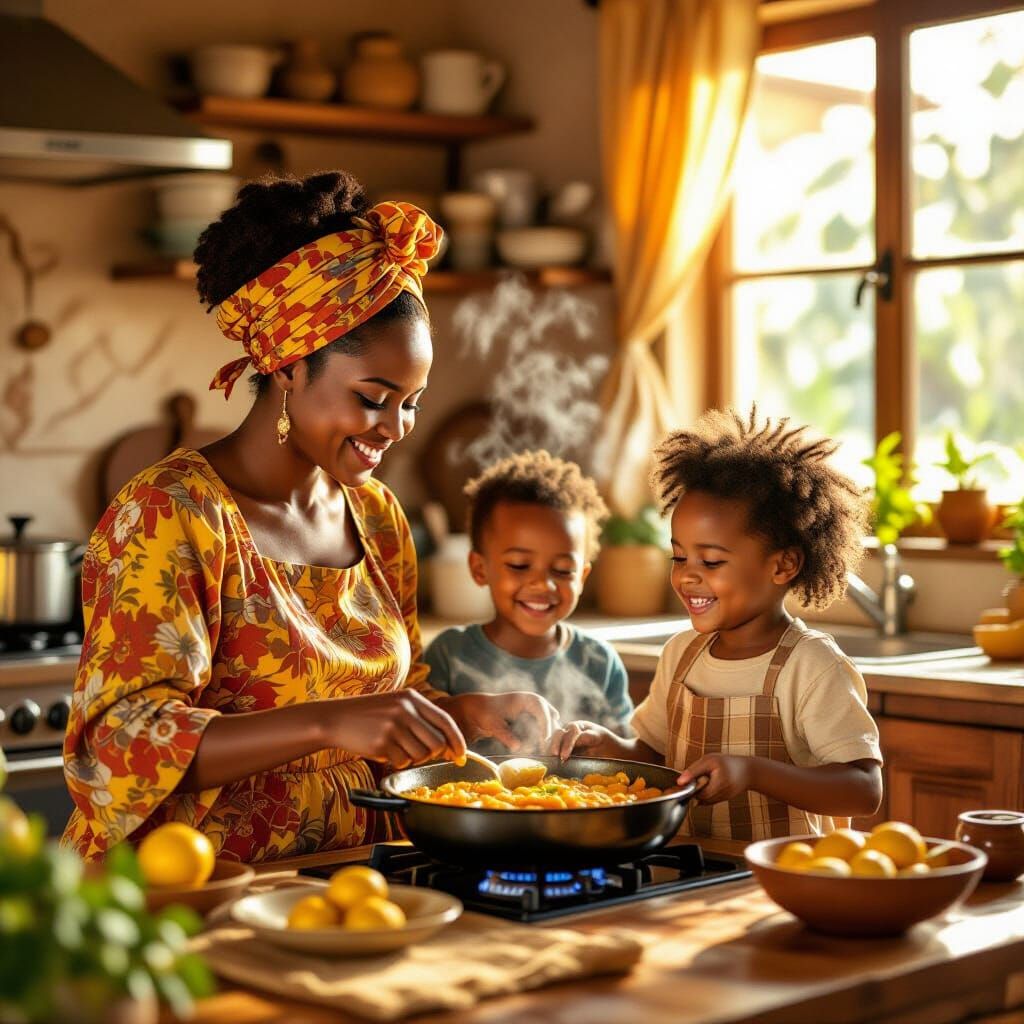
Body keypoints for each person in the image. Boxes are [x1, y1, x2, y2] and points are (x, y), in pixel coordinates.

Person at [62, 171, 560, 863]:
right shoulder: (172, 511)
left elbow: (390, 697)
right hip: (197, 890)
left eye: (411, 401)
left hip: (357, 877)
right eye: (373, 397)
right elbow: (120, 747)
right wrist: (326, 723)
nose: (397, 427)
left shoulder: (377, 514)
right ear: (289, 365)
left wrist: (457, 714)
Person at [554, 408, 883, 840]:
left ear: (783, 564)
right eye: (679, 556)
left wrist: (753, 773)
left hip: (779, 882)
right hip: (687, 873)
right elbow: (655, 754)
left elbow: (863, 791)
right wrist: (607, 747)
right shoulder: (680, 653)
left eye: (711, 560)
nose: (688, 575)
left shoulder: (811, 665)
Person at [425, 451, 633, 754]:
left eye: (563, 571)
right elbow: (421, 750)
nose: (543, 584)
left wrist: (607, 744)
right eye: (520, 565)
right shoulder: (449, 654)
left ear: (583, 576)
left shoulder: (599, 661)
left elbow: (630, 756)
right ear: (479, 569)